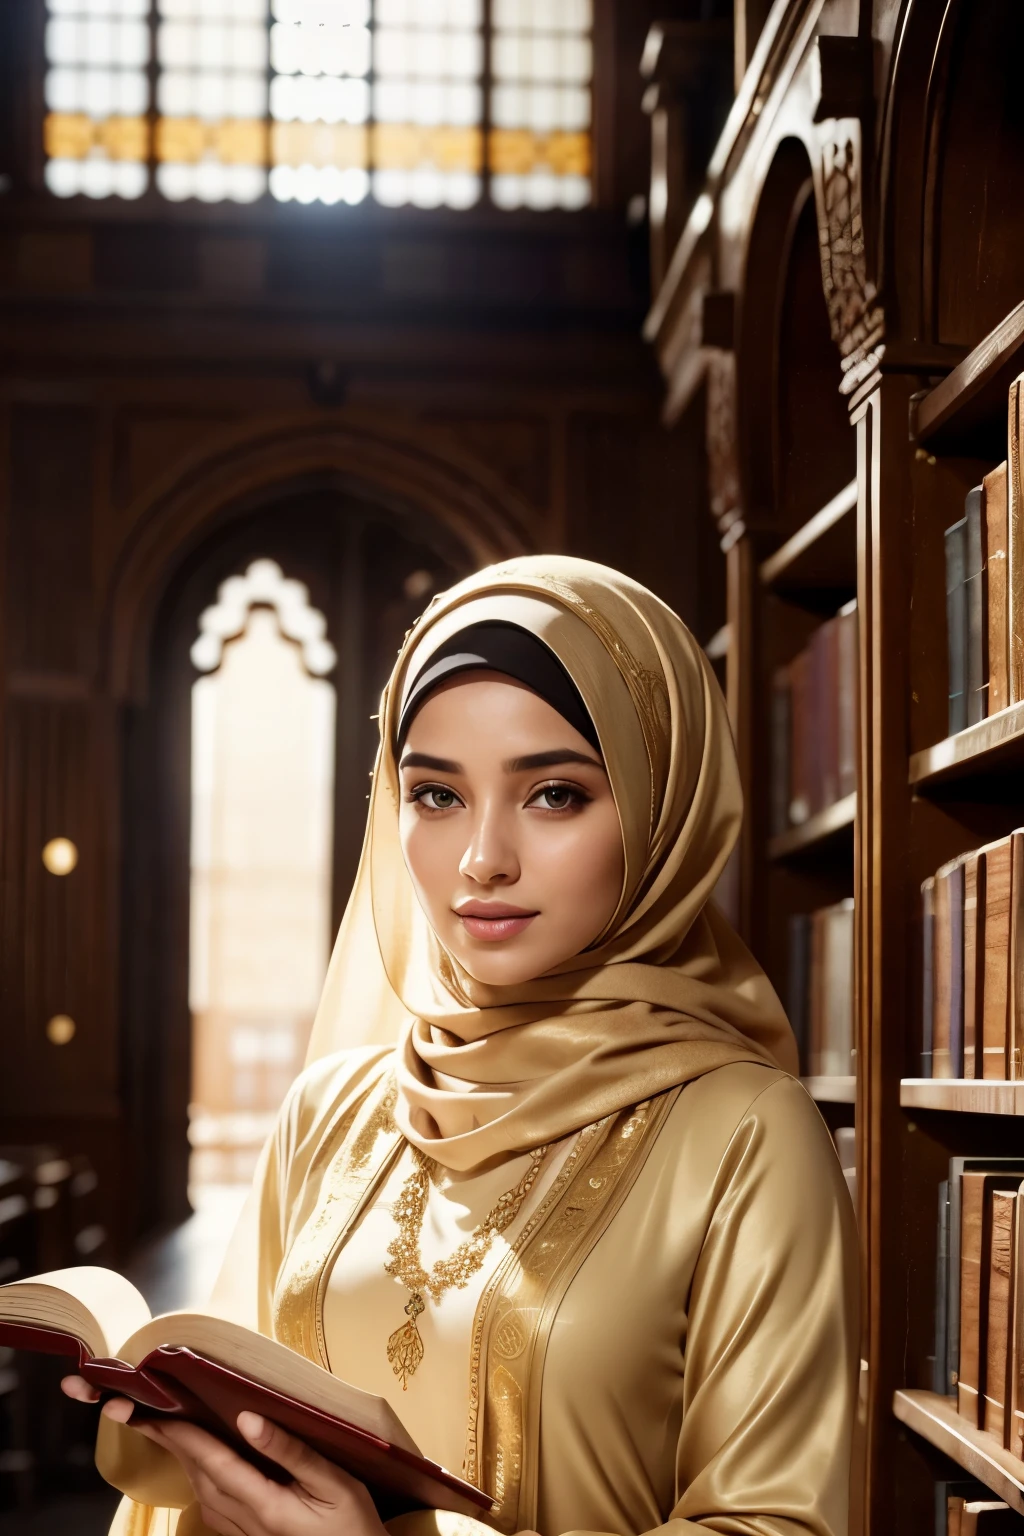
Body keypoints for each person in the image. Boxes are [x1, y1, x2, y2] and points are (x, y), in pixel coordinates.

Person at [65, 555, 859, 1536]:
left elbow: (779, 1526)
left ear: (662, 812)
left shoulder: (747, 1134)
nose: (483, 857)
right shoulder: (331, 1112)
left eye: (555, 794)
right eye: (436, 796)